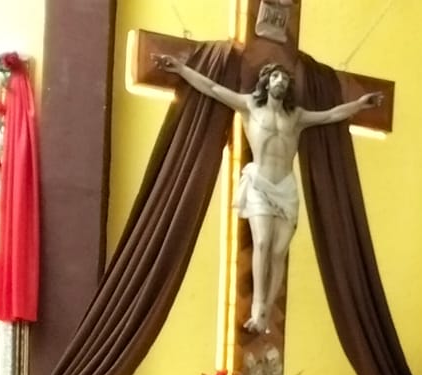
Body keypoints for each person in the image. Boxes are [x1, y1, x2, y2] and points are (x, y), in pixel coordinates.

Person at [157, 57, 382, 334]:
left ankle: (266, 310)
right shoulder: (250, 105)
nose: (280, 82)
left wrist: (360, 105)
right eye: (276, 77)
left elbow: (330, 115)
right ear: (266, 81)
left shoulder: (295, 116)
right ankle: (258, 308)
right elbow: (213, 89)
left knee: (278, 251)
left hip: (285, 186)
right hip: (260, 183)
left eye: (285, 79)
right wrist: (181, 69)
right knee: (262, 242)